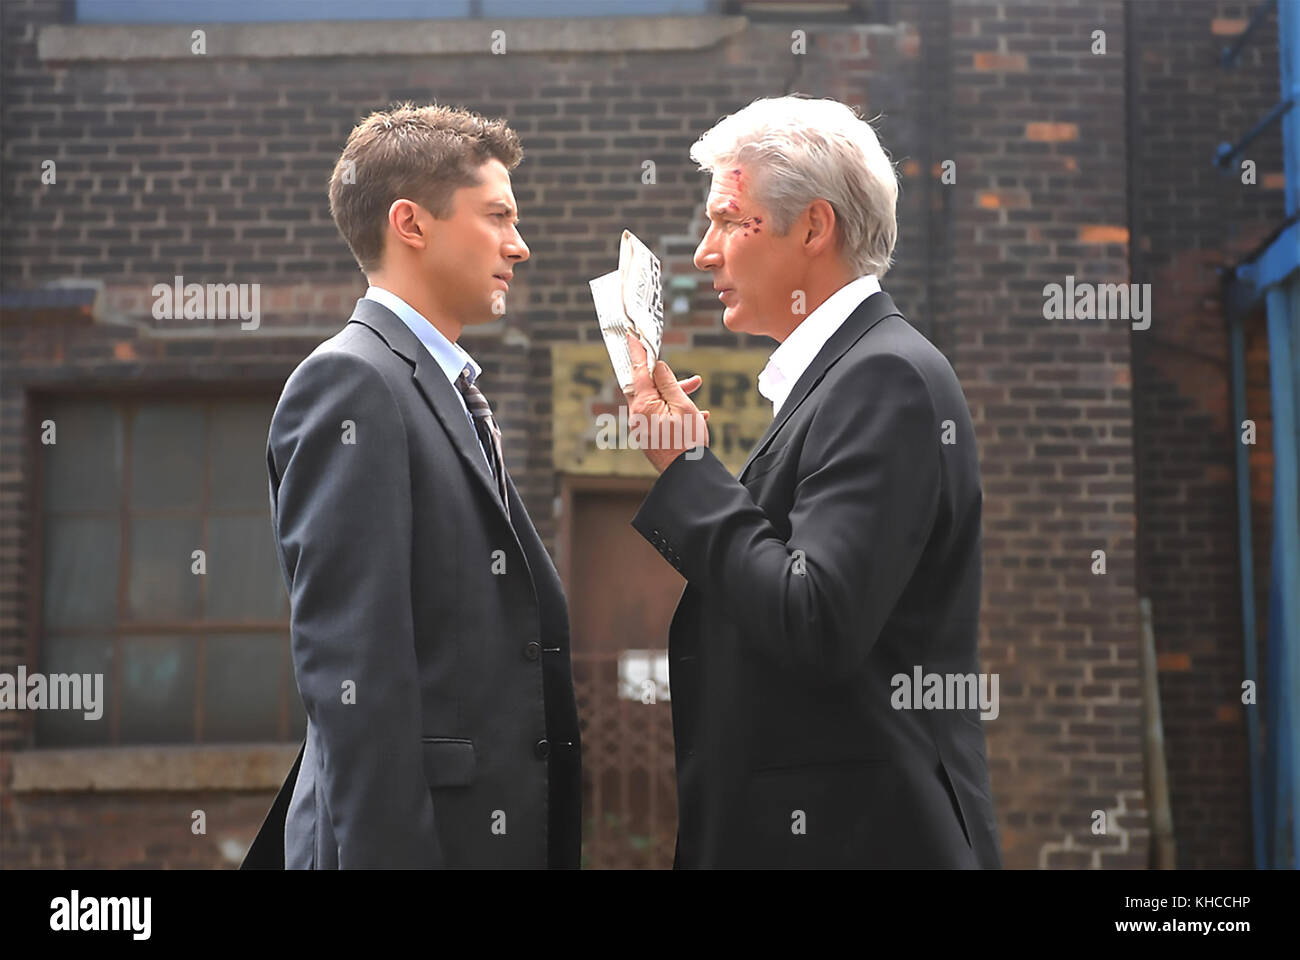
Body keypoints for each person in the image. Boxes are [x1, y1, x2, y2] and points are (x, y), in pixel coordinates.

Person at [622, 95, 1002, 868]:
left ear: (815, 227)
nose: (704, 252)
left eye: (730, 220)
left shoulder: (882, 375)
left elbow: (815, 618)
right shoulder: (848, 377)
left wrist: (690, 474)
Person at [242, 102, 581, 869]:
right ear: (411, 224)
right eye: (497, 216)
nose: (519, 246)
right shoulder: (351, 385)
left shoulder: (440, 387)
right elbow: (354, 673)